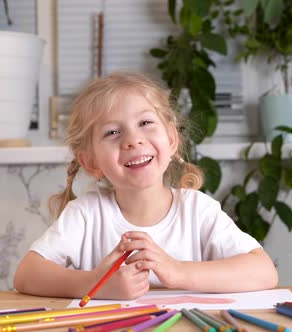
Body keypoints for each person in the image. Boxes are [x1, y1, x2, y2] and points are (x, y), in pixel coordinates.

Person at [14, 72, 278, 300]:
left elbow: (264, 272)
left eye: (145, 123)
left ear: (172, 139)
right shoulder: (85, 214)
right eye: (112, 132)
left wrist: (177, 271)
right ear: (91, 162)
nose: (133, 140)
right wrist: (97, 284)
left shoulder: (198, 211)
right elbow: (26, 274)